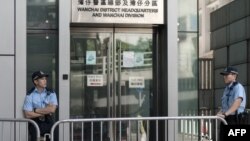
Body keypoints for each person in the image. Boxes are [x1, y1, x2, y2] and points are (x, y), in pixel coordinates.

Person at [23, 71, 58, 141]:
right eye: (42, 79)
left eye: (45, 79)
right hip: (35, 124)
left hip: (48, 122)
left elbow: (52, 110)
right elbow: (27, 114)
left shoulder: (51, 93)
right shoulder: (30, 95)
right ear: (36, 81)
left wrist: (35, 110)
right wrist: (46, 111)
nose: (45, 81)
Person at [217, 66, 246, 140]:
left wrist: (225, 114)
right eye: (224, 75)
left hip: (235, 119)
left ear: (234, 75)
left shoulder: (238, 87)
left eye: (227, 75)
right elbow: (225, 105)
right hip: (226, 118)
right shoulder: (226, 88)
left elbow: (237, 103)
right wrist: (220, 113)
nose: (224, 77)